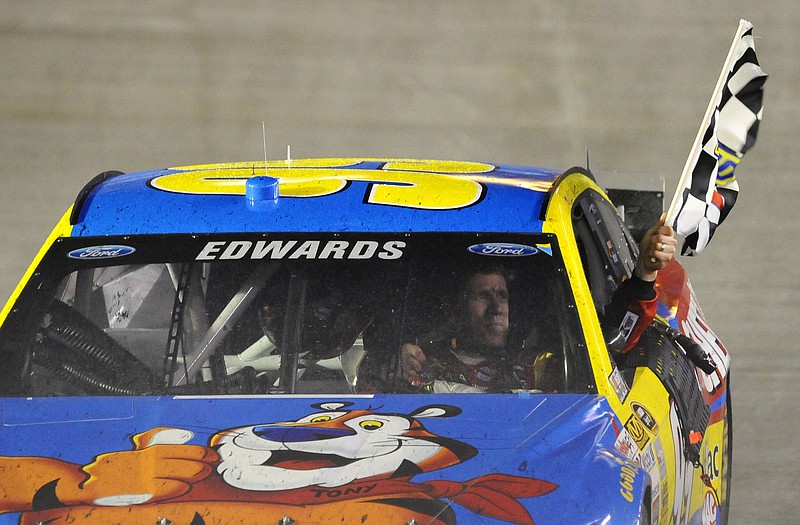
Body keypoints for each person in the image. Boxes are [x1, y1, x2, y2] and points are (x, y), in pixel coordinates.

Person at [400, 218, 677, 393]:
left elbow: (613, 344)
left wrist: (644, 273)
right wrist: (395, 365)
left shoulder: (545, 364)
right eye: (483, 296)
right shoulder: (427, 365)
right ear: (457, 309)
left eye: (502, 296)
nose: (497, 308)